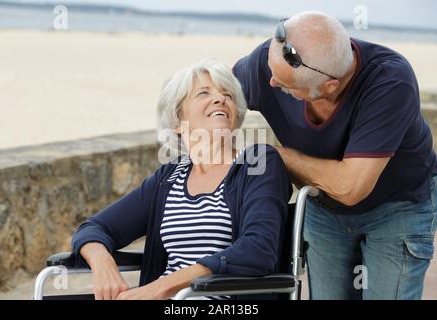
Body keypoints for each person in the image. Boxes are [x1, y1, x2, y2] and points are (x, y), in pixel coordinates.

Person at [233, 11, 437, 300]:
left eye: (286, 85)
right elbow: (220, 98)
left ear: (329, 87)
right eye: (271, 72)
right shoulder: (270, 63)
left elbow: (350, 187)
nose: (271, 85)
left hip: (397, 208)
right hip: (324, 208)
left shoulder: (390, 80)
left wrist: (279, 156)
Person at [71, 58, 292, 300]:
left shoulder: (257, 163)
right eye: (203, 93)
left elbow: (258, 249)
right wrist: (103, 264)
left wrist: (162, 287)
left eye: (227, 94)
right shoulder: (170, 177)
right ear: (177, 121)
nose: (220, 99)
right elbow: (94, 228)